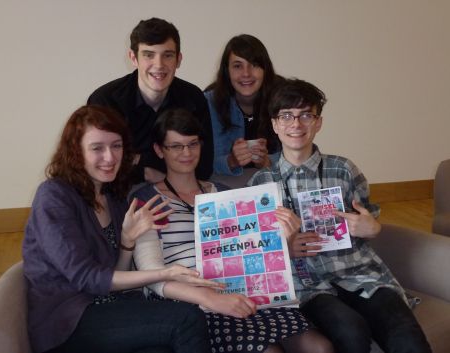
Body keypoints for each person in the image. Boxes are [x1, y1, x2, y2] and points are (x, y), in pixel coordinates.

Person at [248, 78, 431, 353]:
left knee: (405, 332)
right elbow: (254, 253)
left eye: (306, 115)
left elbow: (371, 222)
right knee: (350, 330)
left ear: (318, 122)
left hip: (359, 273)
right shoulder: (260, 183)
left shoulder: (344, 169)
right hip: (308, 285)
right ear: (275, 124)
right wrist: (284, 248)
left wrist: (373, 228)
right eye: (286, 116)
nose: (296, 124)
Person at [131, 108, 334, 353]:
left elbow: (256, 250)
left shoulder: (227, 194)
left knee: (320, 348)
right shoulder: (147, 200)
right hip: (192, 303)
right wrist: (211, 299)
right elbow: (151, 274)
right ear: (159, 150)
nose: (186, 153)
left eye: (192, 144)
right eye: (175, 146)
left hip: (245, 291)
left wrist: (284, 238)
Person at [22, 105, 219, 353]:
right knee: (187, 318)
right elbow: (89, 278)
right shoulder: (54, 196)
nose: (110, 157)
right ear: (76, 151)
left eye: (116, 146)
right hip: (68, 320)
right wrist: (165, 273)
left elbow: (115, 275)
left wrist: (126, 243)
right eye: (97, 148)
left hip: (111, 308)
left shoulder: (113, 197)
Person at [88, 17, 213, 183]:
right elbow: (102, 166)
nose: (159, 65)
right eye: (149, 55)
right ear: (133, 58)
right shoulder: (105, 101)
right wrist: (147, 171)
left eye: (167, 55)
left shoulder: (193, 98)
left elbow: (203, 167)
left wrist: (138, 159)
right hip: (120, 195)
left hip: (180, 191)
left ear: (179, 60)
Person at [205, 34, 282, 178]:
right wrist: (230, 161)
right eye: (237, 66)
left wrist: (268, 161)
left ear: (265, 69)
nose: (246, 74)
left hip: (274, 184)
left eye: (254, 65)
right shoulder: (208, 103)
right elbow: (197, 161)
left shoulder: (283, 99)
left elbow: (298, 153)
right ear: (227, 71)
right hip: (224, 188)